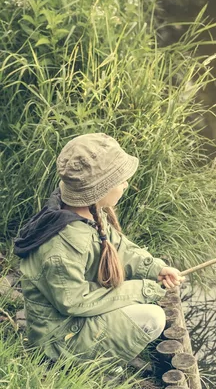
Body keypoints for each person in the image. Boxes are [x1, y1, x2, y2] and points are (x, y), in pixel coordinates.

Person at [13, 132, 184, 364]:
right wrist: (141, 290)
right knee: (153, 317)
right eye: (119, 180)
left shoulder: (82, 212)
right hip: (57, 340)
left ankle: (107, 348)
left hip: (74, 322)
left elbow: (118, 246)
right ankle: (81, 365)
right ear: (101, 189)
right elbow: (74, 301)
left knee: (140, 301)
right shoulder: (62, 246)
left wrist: (154, 269)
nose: (126, 184)